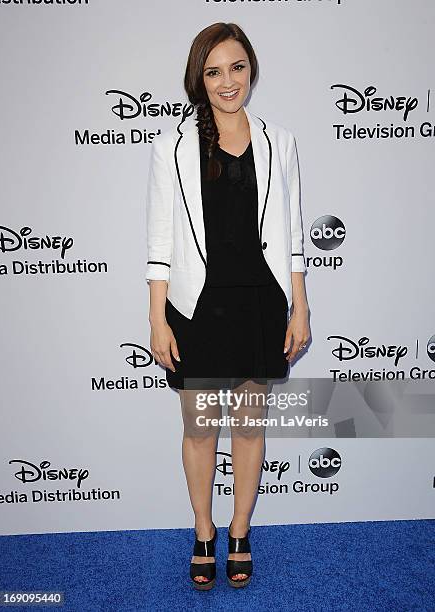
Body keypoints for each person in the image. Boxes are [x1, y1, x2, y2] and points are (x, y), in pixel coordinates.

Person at [145, 22, 310, 590]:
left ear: (251, 69)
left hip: (262, 300)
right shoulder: (172, 145)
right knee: (199, 428)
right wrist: (156, 317)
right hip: (197, 304)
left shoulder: (279, 141)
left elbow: (291, 234)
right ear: (199, 78)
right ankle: (203, 530)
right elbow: (159, 242)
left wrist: (300, 304)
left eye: (236, 67)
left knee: (248, 426)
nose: (227, 81)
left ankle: (240, 529)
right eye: (213, 71)